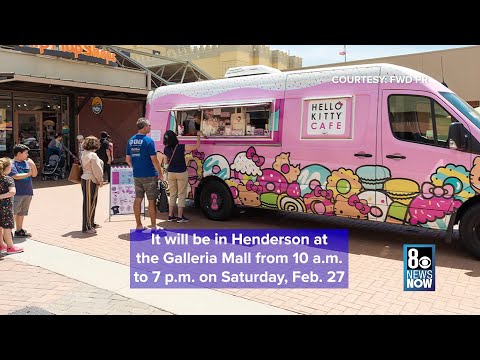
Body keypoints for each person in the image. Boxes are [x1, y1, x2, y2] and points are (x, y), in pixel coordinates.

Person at [126, 118, 163, 230]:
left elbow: (128, 159)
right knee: (151, 201)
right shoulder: (148, 141)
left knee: (138, 198)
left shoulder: (130, 140)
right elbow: (154, 159)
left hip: (137, 175)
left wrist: (134, 167)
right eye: (149, 126)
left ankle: (138, 225)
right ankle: (153, 226)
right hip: (149, 174)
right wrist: (160, 173)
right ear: (145, 127)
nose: (150, 128)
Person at [163, 129, 202, 223]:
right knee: (181, 194)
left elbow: (165, 163)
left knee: (172, 194)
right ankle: (180, 217)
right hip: (181, 172)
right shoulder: (181, 147)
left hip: (171, 173)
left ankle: (170, 216)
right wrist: (198, 136)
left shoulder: (166, 149)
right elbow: (196, 146)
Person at [8, 144, 37, 238]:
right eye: (26, 153)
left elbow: (34, 174)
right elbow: (16, 176)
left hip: (27, 191)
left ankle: (19, 230)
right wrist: (29, 173)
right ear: (19, 153)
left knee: (22, 212)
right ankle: (8, 232)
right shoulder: (12, 164)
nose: (27, 155)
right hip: (17, 192)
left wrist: (33, 165)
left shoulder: (27, 162)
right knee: (13, 212)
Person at [80, 136, 104, 234]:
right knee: (90, 203)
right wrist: (100, 180)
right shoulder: (93, 155)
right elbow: (97, 170)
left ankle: (90, 223)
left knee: (89, 202)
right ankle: (87, 226)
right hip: (91, 179)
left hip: (85, 178)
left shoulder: (84, 153)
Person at [0, 157, 23, 254]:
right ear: (7, 168)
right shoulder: (8, 179)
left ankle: (1, 245)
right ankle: (10, 247)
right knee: (7, 228)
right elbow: (12, 192)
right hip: (6, 207)